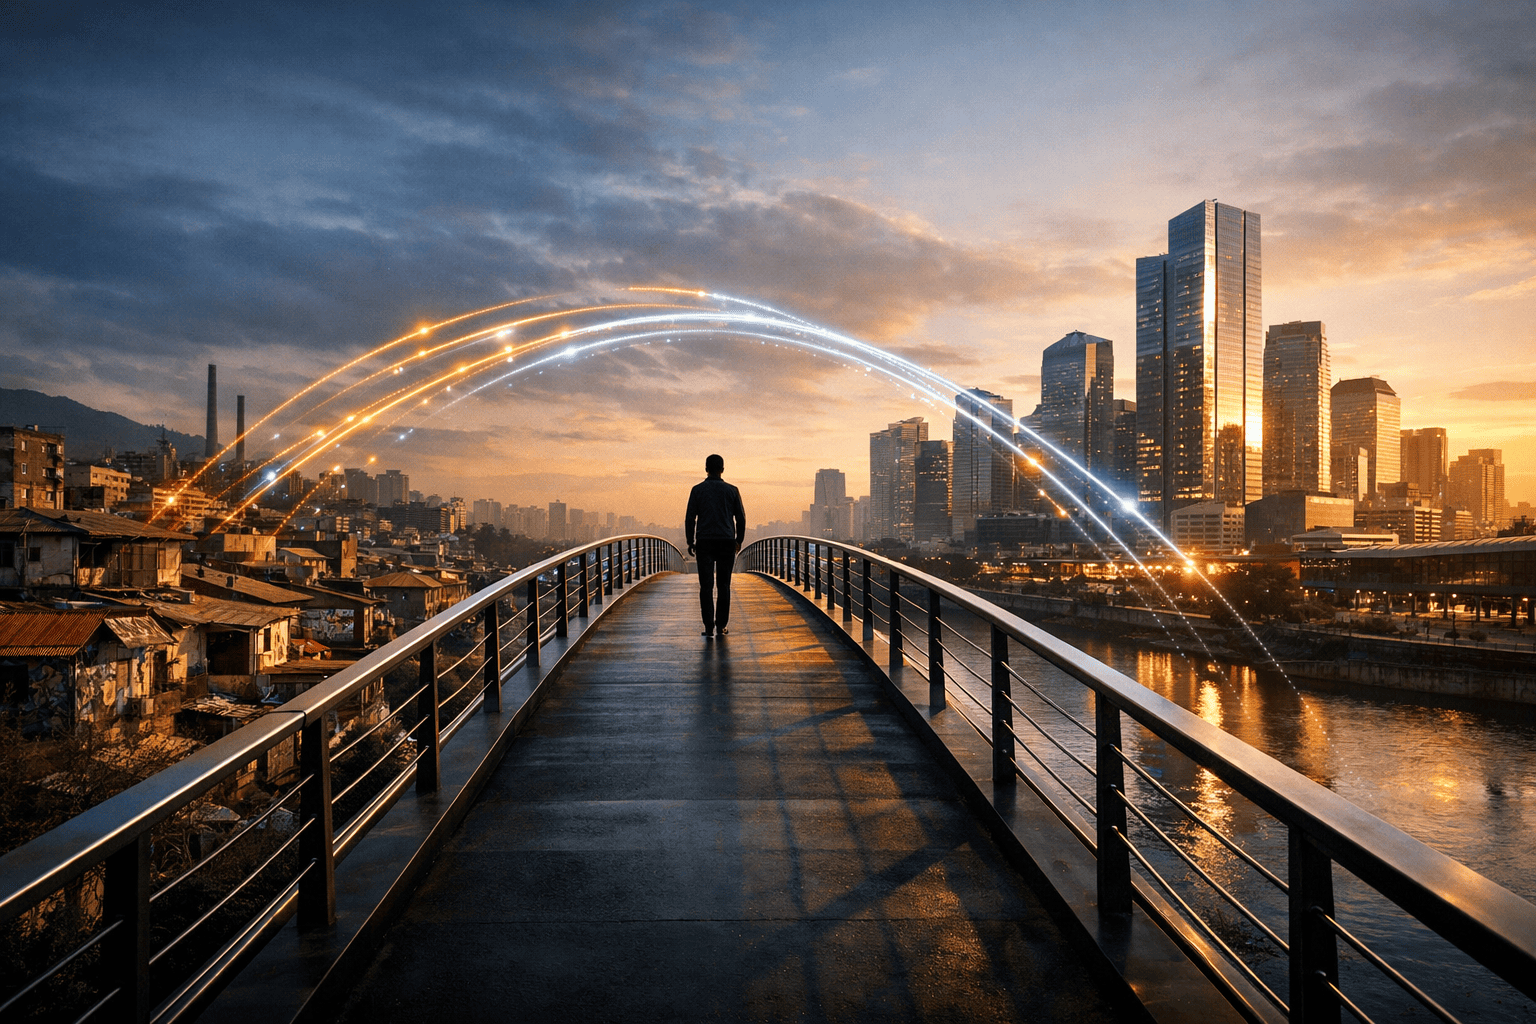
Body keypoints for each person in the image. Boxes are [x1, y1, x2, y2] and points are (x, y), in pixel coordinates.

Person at [685, 453, 746, 638]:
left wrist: (690, 541)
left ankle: (709, 626)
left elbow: (690, 518)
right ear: (723, 469)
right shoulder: (732, 490)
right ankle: (721, 626)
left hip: (704, 542)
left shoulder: (697, 490)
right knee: (724, 585)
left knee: (706, 586)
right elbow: (741, 519)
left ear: (706, 469)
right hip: (727, 542)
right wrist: (739, 541)